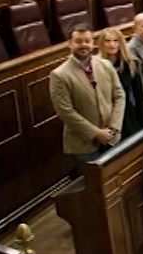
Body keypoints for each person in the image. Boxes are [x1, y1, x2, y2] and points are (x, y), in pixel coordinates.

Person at [50, 25, 125, 165]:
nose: (83, 45)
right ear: (70, 44)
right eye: (78, 41)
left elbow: (119, 95)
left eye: (87, 41)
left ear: (93, 43)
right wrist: (96, 133)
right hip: (84, 144)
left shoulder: (105, 65)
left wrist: (114, 127)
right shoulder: (59, 75)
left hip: (112, 137)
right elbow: (65, 111)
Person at [97, 28, 143, 139]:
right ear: (101, 43)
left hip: (128, 113)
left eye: (116, 41)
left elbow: (139, 94)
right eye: (107, 41)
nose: (112, 45)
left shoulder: (131, 63)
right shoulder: (96, 66)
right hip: (106, 116)